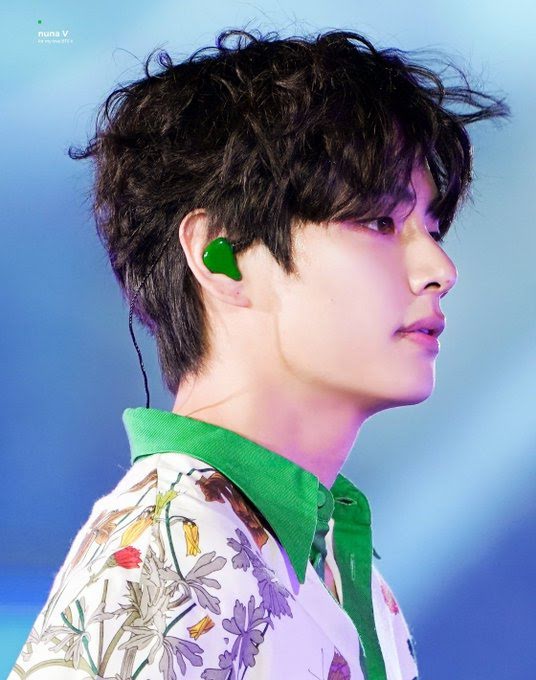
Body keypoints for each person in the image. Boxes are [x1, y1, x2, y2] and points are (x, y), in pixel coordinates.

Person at [9, 27, 509, 680]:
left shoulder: (339, 571)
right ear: (223, 256)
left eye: (433, 229)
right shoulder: (168, 561)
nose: (440, 269)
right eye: (379, 222)